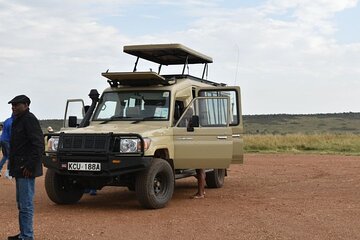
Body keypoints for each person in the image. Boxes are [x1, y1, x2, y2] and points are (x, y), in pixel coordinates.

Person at [7, 95, 44, 240]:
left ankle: (27, 236)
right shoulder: (18, 120)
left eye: (17, 104)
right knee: (21, 204)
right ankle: (23, 234)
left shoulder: (29, 119)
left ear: (26, 105)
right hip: (19, 168)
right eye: (12, 105)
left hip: (26, 169)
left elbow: (39, 144)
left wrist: (29, 165)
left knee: (26, 205)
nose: (13, 107)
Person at [0, 115, 14, 179]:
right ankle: (8, 173)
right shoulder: (13, 122)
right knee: (10, 156)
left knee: (5, 156)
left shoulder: (7, 120)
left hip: (2, 140)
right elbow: (11, 134)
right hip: (7, 141)